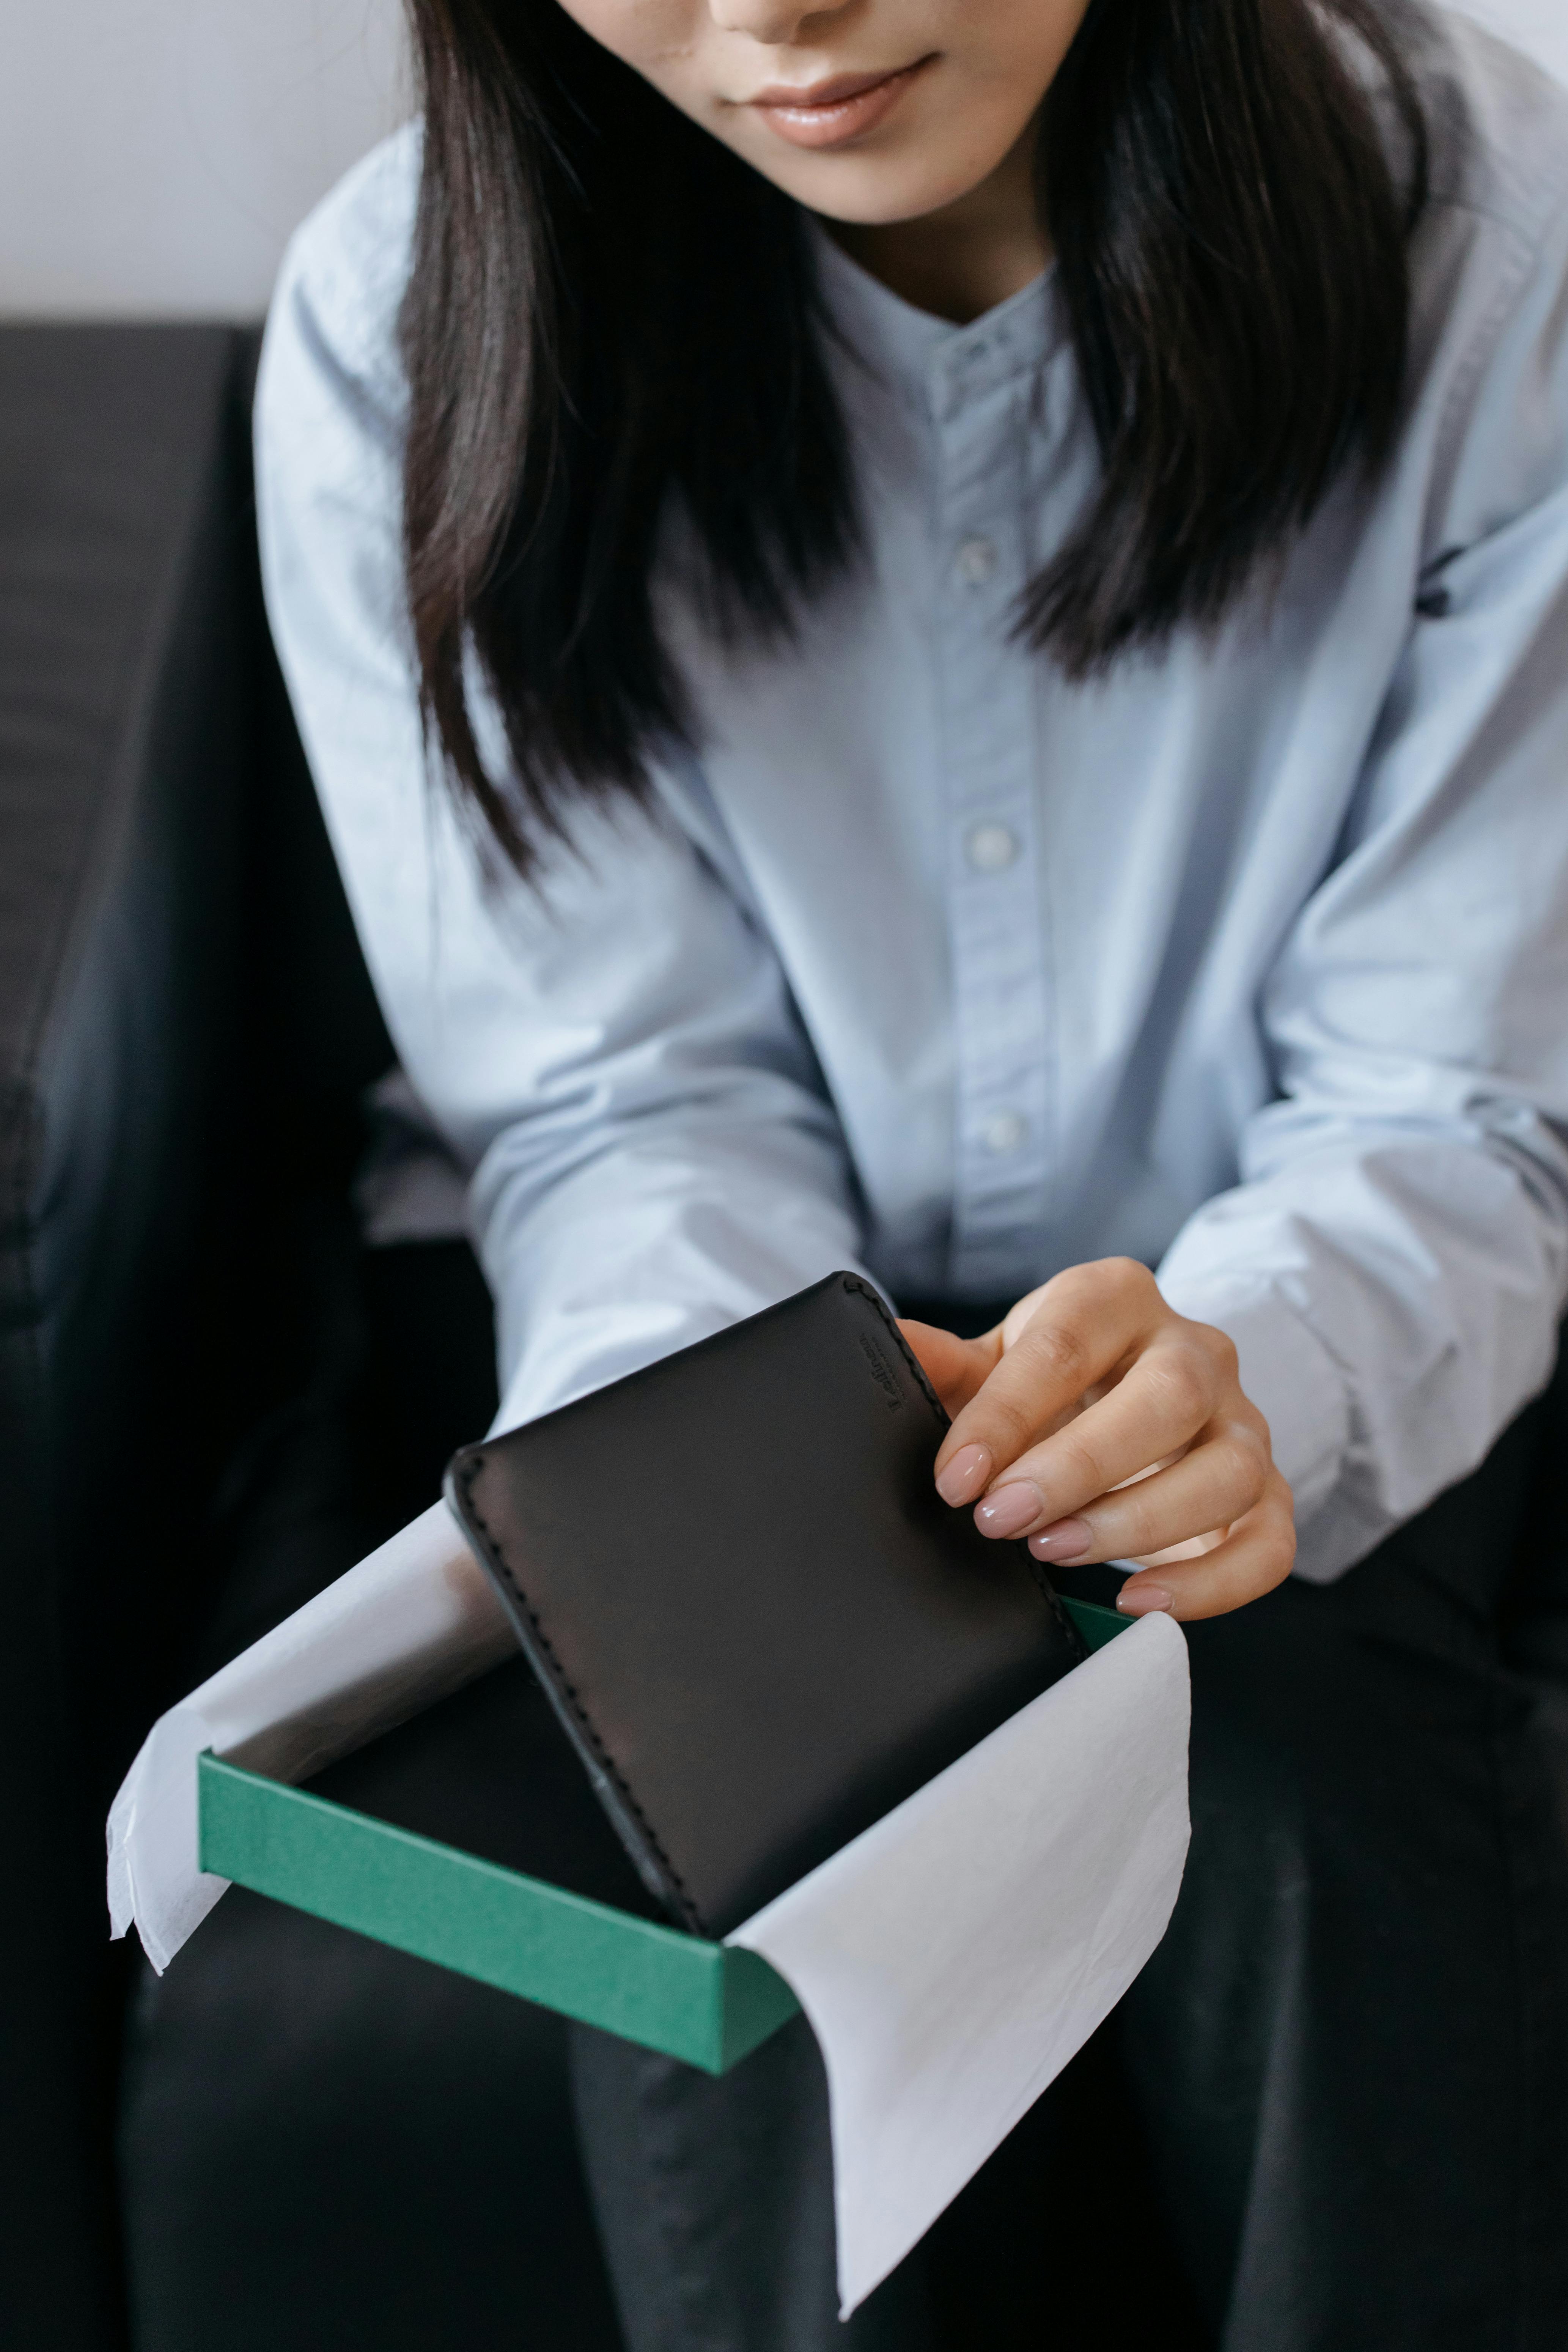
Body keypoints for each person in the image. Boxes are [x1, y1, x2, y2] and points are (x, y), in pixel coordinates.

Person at [253, 0, 1568, 2341]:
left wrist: (1235, 1375)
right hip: (727, 1344)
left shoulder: (1491, 238)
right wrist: (724, 1500)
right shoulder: (402, 322)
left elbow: (1448, 1101)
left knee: (1278, 1760)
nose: (773, 16)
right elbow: (616, 1100)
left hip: (1337, 1316)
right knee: (753, 1793)